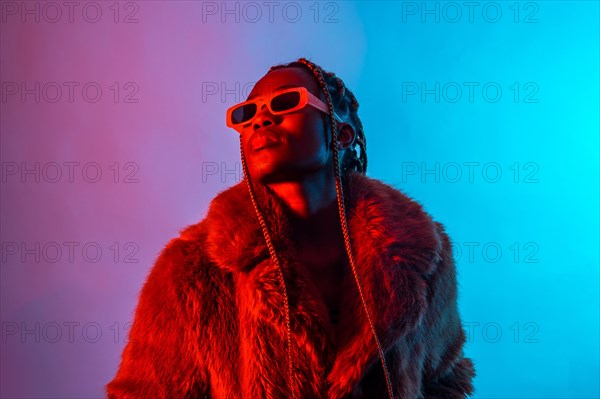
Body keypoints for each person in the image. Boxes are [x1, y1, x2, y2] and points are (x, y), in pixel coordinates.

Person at [105, 57, 476, 399]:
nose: (261, 119)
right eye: (247, 113)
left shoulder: (421, 255)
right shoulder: (191, 271)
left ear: (341, 134)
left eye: (286, 103)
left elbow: (443, 381)